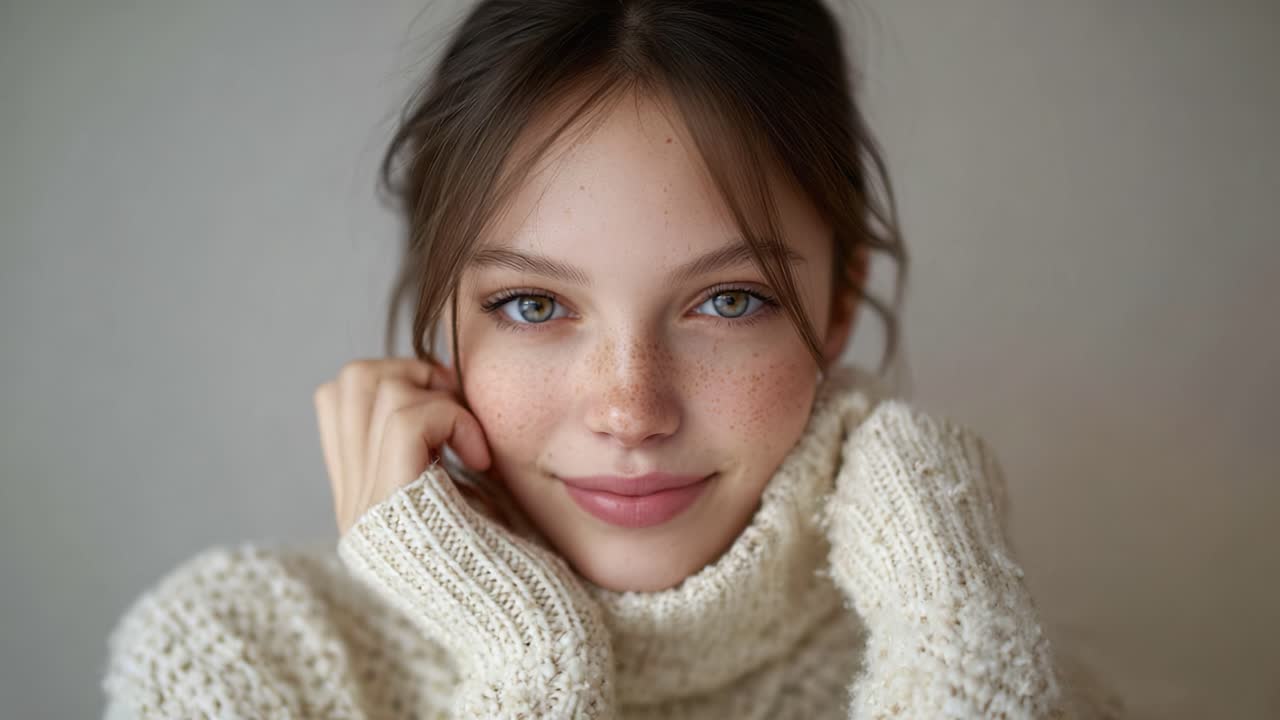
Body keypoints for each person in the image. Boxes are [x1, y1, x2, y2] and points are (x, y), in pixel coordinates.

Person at [102, 1, 1126, 717]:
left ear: (838, 298)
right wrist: (529, 658)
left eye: (727, 300)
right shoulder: (244, 658)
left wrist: (947, 609)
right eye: (533, 304)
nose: (630, 411)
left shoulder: (977, 656)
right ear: (438, 306)